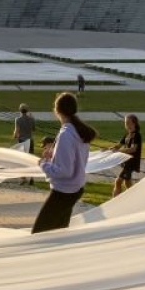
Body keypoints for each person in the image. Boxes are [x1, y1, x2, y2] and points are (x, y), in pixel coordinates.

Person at [32, 92, 97, 233]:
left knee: (38, 234)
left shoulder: (67, 134)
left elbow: (64, 171)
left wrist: (43, 164)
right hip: (74, 188)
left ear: (57, 110)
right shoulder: (77, 131)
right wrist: (53, 156)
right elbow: (74, 159)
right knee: (58, 233)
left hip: (64, 191)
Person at [110, 113, 143, 197]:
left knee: (118, 181)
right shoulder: (127, 134)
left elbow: (133, 149)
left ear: (134, 123)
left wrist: (119, 151)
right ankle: (133, 198)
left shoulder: (137, 135)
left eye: (128, 122)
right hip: (126, 161)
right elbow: (119, 145)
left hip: (131, 162)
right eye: (125, 123)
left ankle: (114, 202)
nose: (127, 125)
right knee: (127, 182)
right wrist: (109, 149)